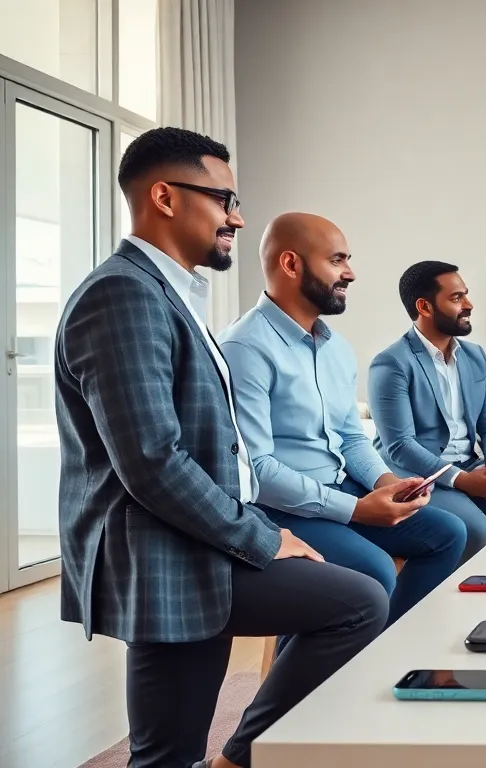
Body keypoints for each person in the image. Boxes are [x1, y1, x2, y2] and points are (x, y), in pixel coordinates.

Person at [55, 128, 388, 768]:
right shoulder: (122, 296)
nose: (237, 216)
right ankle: (241, 755)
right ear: (165, 198)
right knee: (166, 754)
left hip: (193, 540)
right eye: (224, 198)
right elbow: (151, 460)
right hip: (162, 555)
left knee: (171, 749)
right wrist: (261, 536)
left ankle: (238, 754)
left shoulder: (166, 293)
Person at [220, 213, 468, 628]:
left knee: (448, 533)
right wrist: (355, 510)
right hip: (281, 508)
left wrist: (388, 485)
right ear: (291, 264)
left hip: (342, 489)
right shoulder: (244, 348)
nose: (350, 273)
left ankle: (384, 644)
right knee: (375, 569)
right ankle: (336, 663)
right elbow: (256, 469)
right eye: (337, 260)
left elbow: (351, 438)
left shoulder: (337, 349)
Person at [368, 261, 486, 561]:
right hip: (417, 478)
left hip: (470, 465)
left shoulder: (474, 356)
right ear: (425, 307)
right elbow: (400, 447)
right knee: (474, 526)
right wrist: (461, 480)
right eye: (456, 298)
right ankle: (457, 593)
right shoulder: (391, 363)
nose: (469, 304)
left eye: (465, 295)